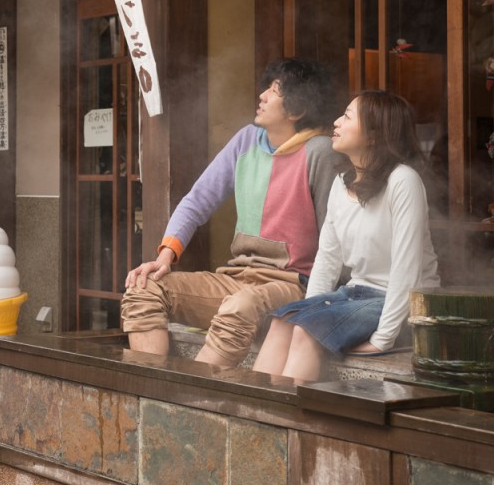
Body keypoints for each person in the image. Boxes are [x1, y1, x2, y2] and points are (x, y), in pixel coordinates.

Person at [121, 57, 342, 369]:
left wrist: (318, 301)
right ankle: (152, 389)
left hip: (293, 285)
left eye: (274, 91)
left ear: (297, 109)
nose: (262, 95)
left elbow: (334, 236)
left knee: (239, 306)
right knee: (143, 287)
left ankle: (190, 396)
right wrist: (165, 255)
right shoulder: (246, 140)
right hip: (236, 279)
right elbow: (198, 200)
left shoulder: (320, 152)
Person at [252, 90, 440, 383]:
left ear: (375, 133)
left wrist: (384, 338)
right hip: (354, 295)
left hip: (402, 304)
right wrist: (308, 309)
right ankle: (260, 416)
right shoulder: (342, 182)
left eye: (348, 116)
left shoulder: (403, 181)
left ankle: (292, 422)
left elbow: (408, 270)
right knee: (284, 322)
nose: (336, 122)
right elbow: (328, 257)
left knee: (306, 331)